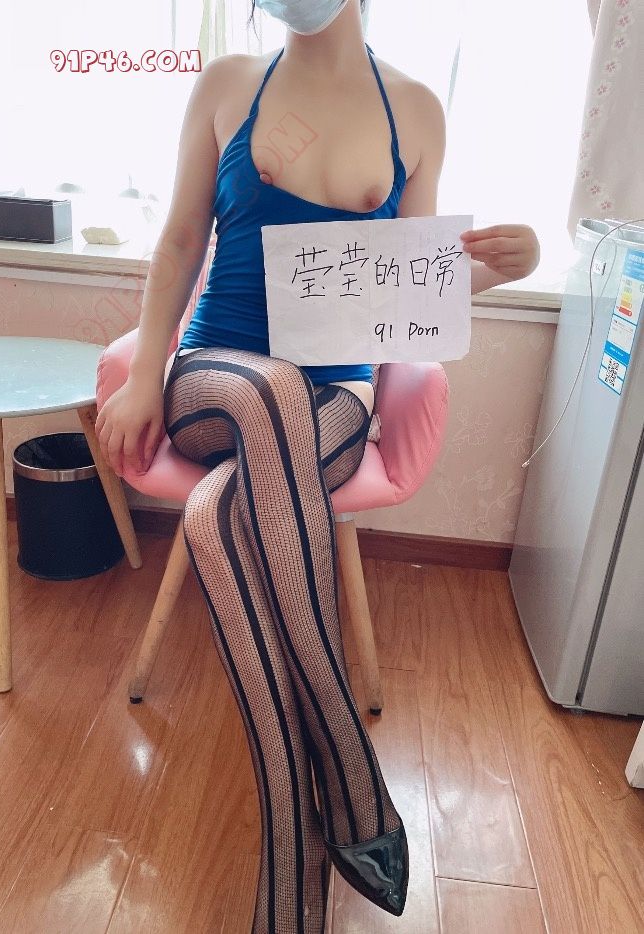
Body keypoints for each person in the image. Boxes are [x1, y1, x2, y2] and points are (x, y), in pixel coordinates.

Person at [95, 1, 540, 931]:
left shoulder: (415, 108)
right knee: (267, 394)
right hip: (217, 376)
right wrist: (141, 375)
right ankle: (346, 758)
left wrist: (502, 266)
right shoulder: (227, 85)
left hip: (338, 394)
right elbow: (180, 241)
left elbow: (413, 283)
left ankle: (294, 842)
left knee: (217, 516)